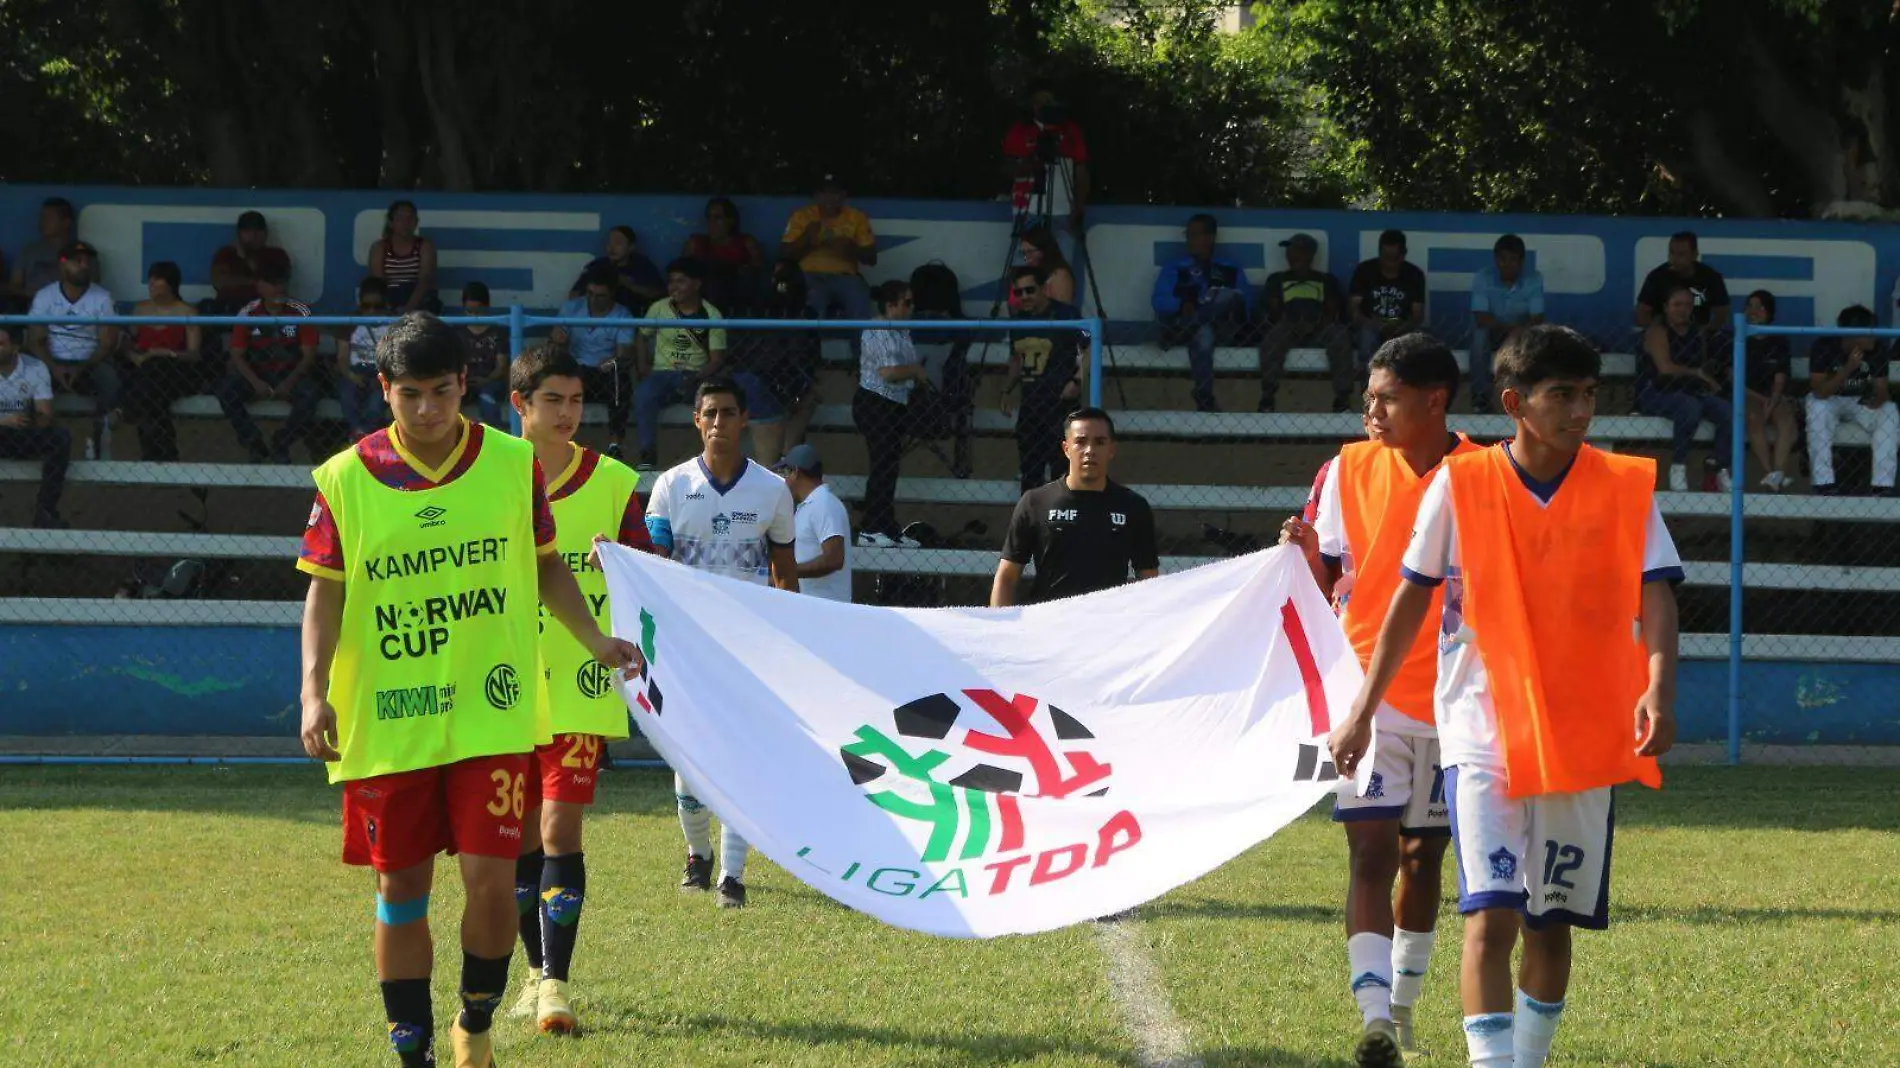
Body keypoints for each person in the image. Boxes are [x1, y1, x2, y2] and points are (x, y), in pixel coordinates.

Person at [1331, 324, 1681, 1068]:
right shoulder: (1460, 485)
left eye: (1589, 395)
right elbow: (1409, 601)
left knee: (1549, 924)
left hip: (1583, 731)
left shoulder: (1624, 485)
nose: (1580, 410)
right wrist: (1362, 707)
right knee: (1489, 915)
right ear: (1516, 401)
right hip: (1482, 730)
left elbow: (1657, 594)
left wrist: (1655, 685)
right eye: (1563, 395)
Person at [296, 312, 637, 1068]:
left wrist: (594, 640)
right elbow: (324, 591)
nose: (426, 410)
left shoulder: (513, 466)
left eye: (441, 391)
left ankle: (475, 1021)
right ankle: (410, 1051)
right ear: (383, 389)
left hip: (491, 712)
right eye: (409, 393)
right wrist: (313, 692)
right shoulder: (344, 479)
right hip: (391, 720)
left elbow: (548, 563)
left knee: (491, 881)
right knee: (401, 891)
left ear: (465, 387)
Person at [1279, 335, 1480, 1064]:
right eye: (1368, 394)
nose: (1371, 408)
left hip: (1458, 697)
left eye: (1387, 396)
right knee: (1370, 851)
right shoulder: (1345, 466)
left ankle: (1402, 1003)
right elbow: (1327, 568)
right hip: (1367, 690)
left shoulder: (1484, 472)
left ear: (1435, 401)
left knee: (1423, 858)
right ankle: (1374, 1018)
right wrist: (1302, 549)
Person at [501, 346, 653, 1035]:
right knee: (514, 841)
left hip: (581, 680)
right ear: (520, 406)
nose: (567, 414)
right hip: (500, 684)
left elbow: (654, 572)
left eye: (576, 400)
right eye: (552, 401)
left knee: (559, 825)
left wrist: (621, 561)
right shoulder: (489, 479)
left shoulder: (616, 480)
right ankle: (533, 971)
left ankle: (555, 984)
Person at [643, 377, 800, 909]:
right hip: (685, 648)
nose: (718, 423)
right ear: (696, 420)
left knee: (742, 757)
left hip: (748, 647)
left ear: (744, 419)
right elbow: (656, 564)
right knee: (688, 763)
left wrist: (792, 642)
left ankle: (731, 875)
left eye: (728, 413)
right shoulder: (669, 484)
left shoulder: (773, 490)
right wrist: (618, 557)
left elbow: (784, 573)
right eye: (709, 413)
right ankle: (698, 854)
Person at [992, 407, 1157, 606]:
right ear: (1066, 448)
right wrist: (1000, 631)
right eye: (1080, 441)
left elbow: (1149, 582)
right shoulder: (1035, 502)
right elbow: (1007, 577)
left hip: (1110, 629)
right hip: (1049, 629)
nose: (1090, 450)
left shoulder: (1133, 507)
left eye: (1100, 442)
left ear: (1112, 449)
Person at [633, 259, 779, 470]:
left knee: (713, 403)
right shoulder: (659, 308)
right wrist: (642, 366)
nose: (674, 287)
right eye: (671, 282)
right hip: (662, 375)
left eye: (681, 282)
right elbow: (641, 335)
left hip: (697, 376)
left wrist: (696, 377)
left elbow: (717, 359)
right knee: (643, 395)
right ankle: (647, 456)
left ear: (696, 284)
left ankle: (712, 460)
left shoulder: (711, 314)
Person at [217, 262, 323, 464]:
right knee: (226, 392)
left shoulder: (301, 311)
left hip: (290, 373)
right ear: (260, 286)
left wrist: (289, 383)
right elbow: (237, 354)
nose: (278, 289)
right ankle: (254, 443)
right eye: (272, 283)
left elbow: (308, 356)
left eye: (281, 283)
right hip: (256, 373)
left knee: (310, 396)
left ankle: (281, 442)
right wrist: (255, 382)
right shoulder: (248, 312)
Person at [25, 241, 119, 459]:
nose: (84, 265)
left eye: (87, 261)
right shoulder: (45, 296)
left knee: (110, 379)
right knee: (29, 376)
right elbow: (35, 340)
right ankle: (34, 444)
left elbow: (107, 342)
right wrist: (54, 367)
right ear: (63, 264)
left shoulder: (102, 297)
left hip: (89, 363)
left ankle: (99, 440)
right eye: (78, 261)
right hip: (51, 361)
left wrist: (83, 367)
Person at [854, 280, 929, 549]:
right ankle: (870, 527)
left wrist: (914, 374)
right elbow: (888, 372)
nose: (911, 307)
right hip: (875, 402)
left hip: (896, 404)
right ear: (890, 305)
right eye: (906, 302)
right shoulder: (877, 329)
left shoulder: (902, 331)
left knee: (890, 466)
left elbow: (907, 366)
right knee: (881, 464)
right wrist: (915, 372)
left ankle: (887, 525)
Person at [1152, 214, 1252, 412]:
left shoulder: (1229, 268)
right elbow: (1159, 301)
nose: (1189, 239)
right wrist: (1181, 305)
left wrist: (1212, 304)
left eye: (1194, 234)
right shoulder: (1176, 267)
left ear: (1210, 238)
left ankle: (1192, 323)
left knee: (1227, 296)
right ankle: (1204, 396)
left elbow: (1245, 303)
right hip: (1192, 328)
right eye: (1187, 234)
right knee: (1204, 335)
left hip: (1219, 329)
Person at [1637, 283, 1733, 492]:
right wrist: (1696, 373)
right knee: (1689, 408)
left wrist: (1708, 380)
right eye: (1677, 304)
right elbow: (1665, 368)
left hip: (1691, 391)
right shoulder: (1657, 331)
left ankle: (1721, 467)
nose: (1682, 310)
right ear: (1666, 307)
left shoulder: (1696, 333)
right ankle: (1678, 466)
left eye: (1688, 305)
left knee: (1728, 412)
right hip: (1657, 392)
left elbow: (1702, 366)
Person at [1002, 267, 1083, 492]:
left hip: (1061, 404)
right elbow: (1016, 358)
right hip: (1030, 405)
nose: (1024, 296)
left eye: (1030, 290)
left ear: (1044, 289)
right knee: (1029, 474)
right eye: (1019, 292)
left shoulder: (1067, 314)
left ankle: (1061, 523)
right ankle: (1031, 524)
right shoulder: (1018, 322)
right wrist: (1007, 390)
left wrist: (1076, 381)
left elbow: (1090, 349)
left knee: (1063, 474)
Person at [1806, 304, 1899, 496]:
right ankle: (1824, 482)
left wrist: (1878, 396)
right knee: (1816, 407)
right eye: (1869, 332)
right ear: (1853, 334)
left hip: (1860, 400)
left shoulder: (1877, 349)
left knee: (1889, 411)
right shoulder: (1824, 346)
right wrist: (1848, 368)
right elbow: (1820, 392)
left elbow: (1882, 391)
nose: (1874, 335)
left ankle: (1882, 485)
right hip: (1830, 399)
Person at [1260, 233, 1352, 413]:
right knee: (1273, 337)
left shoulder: (1325, 280)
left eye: (1295, 251)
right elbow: (1274, 309)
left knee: (1339, 335)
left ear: (1309, 254)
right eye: (1289, 251)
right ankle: (1267, 397)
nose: (1290, 255)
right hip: (1288, 327)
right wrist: (1293, 324)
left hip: (1320, 329)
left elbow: (1332, 310)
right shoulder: (1277, 279)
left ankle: (1342, 399)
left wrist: (1315, 325)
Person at [122, 261, 204, 462]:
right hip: (142, 371)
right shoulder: (140, 310)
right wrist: (136, 357)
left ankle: (125, 410)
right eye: (150, 280)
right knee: (151, 390)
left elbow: (194, 354)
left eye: (157, 280)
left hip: (173, 372)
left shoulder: (187, 312)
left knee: (155, 369)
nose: (151, 284)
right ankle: (166, 452)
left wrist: (168, 353)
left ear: (170, 284)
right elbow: (126, 344)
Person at [551, 268, 637, 457]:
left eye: (600, 296)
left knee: (621, 381)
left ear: (612, 293)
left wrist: (613, 360)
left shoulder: (622, 315)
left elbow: (624, 356)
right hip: (574, 370)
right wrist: (557, 340)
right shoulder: (571, 308)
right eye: (590, 294)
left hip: (603, 372)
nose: (593, 299)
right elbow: (552, 346)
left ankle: (615, 445)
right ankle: (560, 443)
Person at [779, 175, 876, 323]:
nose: (828, 198)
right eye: (824, 193)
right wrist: (806, 238)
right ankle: (812, 346)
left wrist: (851, 247)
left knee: (859, 303)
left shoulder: (856, 217)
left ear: (843, 196)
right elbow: (784, 254)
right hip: (808, 276)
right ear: (816, 196)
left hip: (845, 278)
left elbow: (872, 259)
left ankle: (860, 347)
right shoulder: (802, 216)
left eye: (834, 193)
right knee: (811, 306)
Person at [0, 324, 70, 528]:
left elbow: (44, 412)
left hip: (21, 434)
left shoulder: (35, 367)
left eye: (0, 344)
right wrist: (5, 420)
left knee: (60, 438)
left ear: (15, 347)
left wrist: (33, 419)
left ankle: (46, 511)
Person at [1002, 79, 1091, 234]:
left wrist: (1079, 206)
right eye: (1038, 102)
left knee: (1062, 256)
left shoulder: (1070, 131)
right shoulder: (1020, 130)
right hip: (1026, 210)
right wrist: (1031, 163)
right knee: (1027, 257)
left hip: (1062, 210)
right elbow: (1007, 168)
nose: (1043, 107)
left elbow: (1081, 171)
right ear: (1031, 105)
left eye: (1047, 102)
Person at [1468, 235, 1545, 414]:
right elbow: (1480, 317)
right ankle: (1481, 400)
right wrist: (1509, 329)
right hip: (1493, 332)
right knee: (1479, 337)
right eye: (1502, 259)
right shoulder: (1483, 277)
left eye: (1513, 260)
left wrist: (1518, 331)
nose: (1507, 264)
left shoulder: (1534, 279)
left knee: (1537, 337)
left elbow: (1537, 317)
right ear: (1495, 260)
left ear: (1522, 261)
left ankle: (1526, 399)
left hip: (1521, 333)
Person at [776, 442, 853, 603]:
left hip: (828, 611)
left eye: (785, 473)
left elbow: (834, 558)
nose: (784, 480)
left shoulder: (823, 503)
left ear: (796, 472)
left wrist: (787, 572)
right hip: (815, 608)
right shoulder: (810, 506)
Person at [1350, 230, 1428, 383]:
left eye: (1394, 258)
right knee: (1367, 338)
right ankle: (1369, 391)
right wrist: (1372, 323)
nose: (1389, 262)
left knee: (1423, 343)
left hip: (1401, 327)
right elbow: (1353, 309)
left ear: (1404, 254)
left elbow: (1418, 314)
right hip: (1369, 324)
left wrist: (1403, 325)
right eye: (1385, 257)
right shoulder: (1364, 271)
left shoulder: (1414, 274)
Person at [1742, 290, 1797, 492]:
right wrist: (1761, 400)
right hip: (1748, 394)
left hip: (1773, 395)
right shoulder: (1739, 339)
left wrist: (1773, 401)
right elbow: (1735, 379)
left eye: (1760, 307)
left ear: (1769, 312)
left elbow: (1780, 377)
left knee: (1786, 420)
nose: (1754, 311)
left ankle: (1778, 472)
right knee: (1754, 418)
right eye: (1750, 306)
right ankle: (1768, 473)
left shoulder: (1778, 340)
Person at [1634, 231, 1730, 331]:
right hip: (1664, 335)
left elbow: (1722, 313)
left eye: (1681, 254)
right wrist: (1656, 332)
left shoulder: (1711, 277)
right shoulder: (1657, 277)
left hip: (1699, 334)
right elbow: (1642, 312)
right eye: (1671, 253)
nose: (1674, 259)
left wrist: (1706, 333)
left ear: (1694, 255)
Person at [683, 198, 765, 312]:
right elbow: (681, 273)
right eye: (709, 218)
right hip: (702, 298)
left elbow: (757, 273)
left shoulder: (745, 243)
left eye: (718, 218)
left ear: (730, 221)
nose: (712, 222)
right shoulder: (696, 243)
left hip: (735, 297)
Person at [337, 277, 393, 441]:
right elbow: (342, 357)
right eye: (366, 306)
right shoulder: (350, 322)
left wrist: (384, 377)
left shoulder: (393, 324)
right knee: (347, 397)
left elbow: (396, 360)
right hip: (355, 370)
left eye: (378, 306)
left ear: (386, 304)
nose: (372, 311)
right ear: (359, 304)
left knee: (376, 404)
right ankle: (360, 434)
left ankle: (360, 436)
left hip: (382, 372)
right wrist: (352, 376)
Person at [367, 200, 439, 314]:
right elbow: (378, 283)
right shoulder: (380, 247)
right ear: (391, 223)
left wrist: (408, 309)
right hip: (389, 299)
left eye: (410, 218)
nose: (406, 223)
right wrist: (389, 309)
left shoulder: (425, 246)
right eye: (400, 218)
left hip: (418, 301)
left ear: (416, 222)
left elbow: (425, 280)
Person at [209, 210, 291, 310]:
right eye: (247, 231)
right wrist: (256, 282)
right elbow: (219, 283)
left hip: (266, 308)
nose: (253, 235)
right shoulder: (226, 254)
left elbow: (279, 284)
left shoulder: (277, 254)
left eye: (258, 230)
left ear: (266, 233)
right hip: (231, 309)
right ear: (238, 233)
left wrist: (248, 261)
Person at [573, 225, 666, 313]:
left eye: (618, 243)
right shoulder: (597, 265)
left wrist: (630, 285)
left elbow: (659, 294)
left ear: (631, 247)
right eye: (609, 243)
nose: (611, 248)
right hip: (601, 319)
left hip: (635, 320)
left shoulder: (643, 265)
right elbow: (574, 295)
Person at [456, 282, 511, 430]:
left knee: (487, 397)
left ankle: (496, 443)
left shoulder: (498, 332)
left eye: (478, 311)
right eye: (469, 311)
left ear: (487, 307)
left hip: (491, 382)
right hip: (465, 382)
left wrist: (485, 380)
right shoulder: (457, 332)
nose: (474, 316)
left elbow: (501, 368)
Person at [8, 197, 77, 305]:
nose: (42, 222)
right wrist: (33, 294)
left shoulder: (81, 252)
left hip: (68, 307)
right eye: (42, 217)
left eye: (49, 218)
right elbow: (15, 285)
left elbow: (91, 285)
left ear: (66, 222)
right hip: (30, 305)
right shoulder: (29, 250)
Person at [1014, 225, 1075, 306]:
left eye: (1030, 252)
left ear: (1043, 250)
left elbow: (1063, 311)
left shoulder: (1060, 275)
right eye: (1024, 253)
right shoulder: (1030, 274)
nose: (1026, 258)